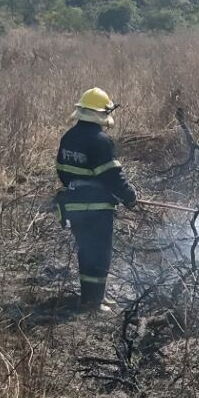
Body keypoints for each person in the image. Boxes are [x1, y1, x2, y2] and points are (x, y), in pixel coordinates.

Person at [55, 88, 137, 311]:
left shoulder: (68, 137)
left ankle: (94, 297)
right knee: (100, 254)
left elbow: (62, 171)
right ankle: (94, 302)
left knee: (86, 251)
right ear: (101, 114)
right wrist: (129, 197)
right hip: (98, 209)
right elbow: (112, 176)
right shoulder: (102, 142)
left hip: (74, 207)